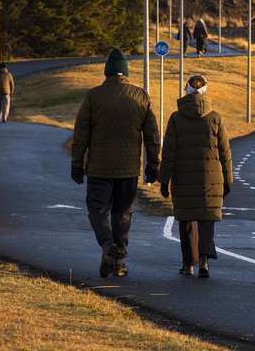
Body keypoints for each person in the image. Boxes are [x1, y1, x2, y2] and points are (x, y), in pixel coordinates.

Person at [71, 48, 160, 278]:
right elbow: (152, 135)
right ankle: (119, 261)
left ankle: (106, 244)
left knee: (97, 209)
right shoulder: (141, 96)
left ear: (107, 71)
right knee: (123, 213)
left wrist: (77, 163)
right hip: (129, 169)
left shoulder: (93, 96)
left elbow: (80, 133)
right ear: (126, 72)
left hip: (99, 167)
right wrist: (153, 164)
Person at [160, 75, 232, 278]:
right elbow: (225, 153)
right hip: (211, 179)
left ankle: (187, 264)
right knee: (206, 219)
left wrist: (164, 180)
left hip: (183, 179)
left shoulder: (176, 118)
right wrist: (228, 180)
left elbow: (169, 153)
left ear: (186, 91)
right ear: (205, 91)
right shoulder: (215, 118)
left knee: (186, 220)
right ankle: (204, 261)